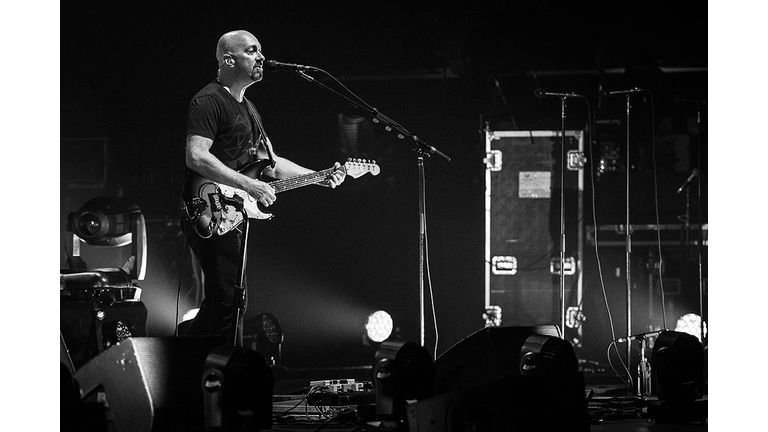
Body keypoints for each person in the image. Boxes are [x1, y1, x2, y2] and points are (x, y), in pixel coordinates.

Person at [181, 30, 346, 344]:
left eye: (260, 51)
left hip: (234, 214)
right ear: (228, 59)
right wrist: (250, 186)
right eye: (252, 50)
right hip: (208, 209)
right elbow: (196, 156)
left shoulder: (250, 109)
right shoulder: (208, 101)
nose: (261, 58)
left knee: (226, 300)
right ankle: (221, 377)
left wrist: (320, 175)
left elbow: (271, 163)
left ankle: (183, 360)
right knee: (229, 300)